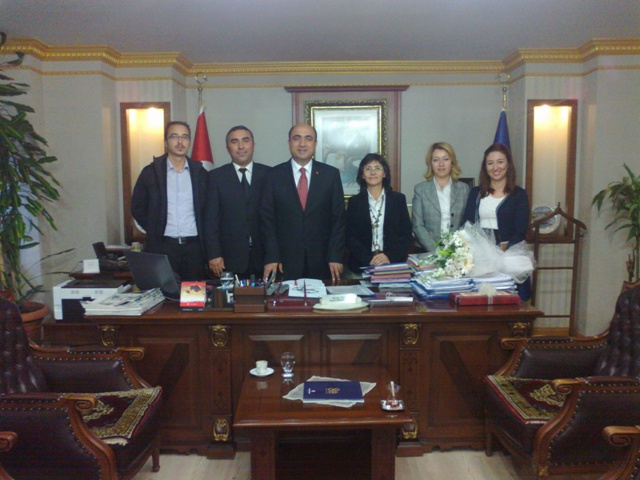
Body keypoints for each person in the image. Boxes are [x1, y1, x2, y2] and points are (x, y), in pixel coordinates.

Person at [261, 124, 346, 282]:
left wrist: (335, 256)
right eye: (296, 138)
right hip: (284, 262)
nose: (302, 144)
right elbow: (267, 220)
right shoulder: (273, 175)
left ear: (315, 144)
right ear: (289, 143)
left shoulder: (330, 175)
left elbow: (338, 220)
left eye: (308, 139)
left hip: (323, 261)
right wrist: (272, 256)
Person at [131, 121, 207, 281]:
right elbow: (137, 207)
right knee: (164, 293)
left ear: (189, 142)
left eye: (184, 137)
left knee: (194, 294)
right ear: (165, 142)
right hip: (163, 247)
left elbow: (209, 210)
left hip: (194, 248)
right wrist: (155, 226)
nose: (180, 142)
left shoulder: (201, 174)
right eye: (174, 136)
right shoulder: (150, 172)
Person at [462, 142, 531, 299]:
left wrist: (502, 253)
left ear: (508, 164)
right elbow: (468, 225)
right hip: (480, 257)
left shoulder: (519, 195)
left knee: (508, 301)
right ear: (485, 167)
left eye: (500, 162)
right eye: (490, 163)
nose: (495, 167)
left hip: (509, 255)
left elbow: (520, 230)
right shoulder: (475, 193)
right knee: (479, 301)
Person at [204, 126, 270, 279]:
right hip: (228, 259)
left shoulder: (269, 174)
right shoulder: (215, 177)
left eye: (245, 140)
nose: (241, 146)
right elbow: (210, 220)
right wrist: (214, 254)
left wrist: (274, 256)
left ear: (253, 144)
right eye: (234, 142)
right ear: (228, 148)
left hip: (264, 258)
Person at [346, 154, 412, 272]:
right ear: (362, 175)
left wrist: (389, 257)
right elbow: (349, 236)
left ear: (384, 173)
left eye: (377, 168)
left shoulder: (398, 200)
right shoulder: (354, 202)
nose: (373, 172)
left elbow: (406, 234)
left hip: (393, 263)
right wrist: (369, 259)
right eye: (368, 168)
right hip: (362, 264)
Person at [412, 142, 469, 252]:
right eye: (436, 160)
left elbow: (466, 223)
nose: (441, 164)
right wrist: (436, 251)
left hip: (457, 251)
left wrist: (454, 248)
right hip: (426, 250)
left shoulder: (464, 189)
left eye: (446, 159)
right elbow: (417, 225)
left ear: (452, 163)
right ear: (430, 164)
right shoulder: (420, 190)